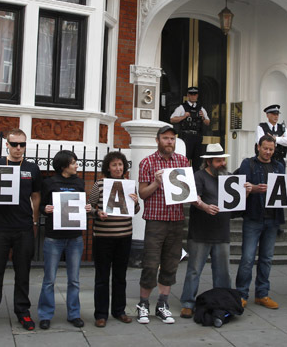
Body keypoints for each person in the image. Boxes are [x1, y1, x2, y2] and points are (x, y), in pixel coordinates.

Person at [0, 129, 42, 333]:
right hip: (0, 227)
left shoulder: (31, 168)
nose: (18, 148)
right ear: (7, 144)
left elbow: (36, 195)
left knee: (23, 272)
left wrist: (35, 221)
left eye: (22, 144)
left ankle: (22, 311)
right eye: (15, 144)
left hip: (23, 227)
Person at [136, 125, 190, 324]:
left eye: (172, 139)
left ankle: (163, 304)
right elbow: (142, 194)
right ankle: (143, 304)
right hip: (156, 220)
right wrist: (157, 183)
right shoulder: (147, 162)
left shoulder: (182, 161)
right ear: (157, 140)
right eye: (166, 138)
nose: (169, 142)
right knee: (150, 264)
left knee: (171, 264)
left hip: (176, 219)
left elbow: (187, 191)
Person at [235, 135, 287, 309]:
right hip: (253, 216)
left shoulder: (279, 166)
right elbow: (240, 186)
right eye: (265, 148)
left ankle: (262, 294)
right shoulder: (248, 163)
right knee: (247, 258)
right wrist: (253, 189)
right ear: (258, 147)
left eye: (271, 149)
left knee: (267, 258)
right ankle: (241, 294)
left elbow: (282, 190)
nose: (268, 152)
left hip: (273, 218)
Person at [38, 150, 91, 330]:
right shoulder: (50, 183)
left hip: (74, 237)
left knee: (74, 279)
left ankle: (74, 314)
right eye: (73, 162)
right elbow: (41, 206)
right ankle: (45, 314)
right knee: (49, 279)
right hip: (54, 237)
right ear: (63, 165)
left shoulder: (78, 182)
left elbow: (79, 205)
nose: (77, 165)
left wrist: (86, 208)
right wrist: (46, 209)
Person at [179, 144, 232, 319]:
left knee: (223, 271)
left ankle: (222, 301)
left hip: (222, 231)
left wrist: (245, 192)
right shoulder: (199, 176)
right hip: (201, 231)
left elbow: (236, 204)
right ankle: (188, 302)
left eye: (223, 159)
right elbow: (193, 197)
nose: (222, 163)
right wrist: (204, 206)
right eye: (218, 160)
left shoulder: (228, 178)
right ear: (208, 162)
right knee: (194, 269)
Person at [88, 151, 139, 327]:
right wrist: (97, 213)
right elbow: (89, 206)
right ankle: (101, 314)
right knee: (102, 276)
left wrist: (136, 201)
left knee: (120, 276)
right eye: (114, 165)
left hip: (124, 236)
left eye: (120, 164)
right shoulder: (100, 184)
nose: (118, 168)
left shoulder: (129, 185)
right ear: (108, 168)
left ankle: (119, 311)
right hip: (103, 236)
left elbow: (135, 210)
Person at [170, 86, 210, 171]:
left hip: (197, 137)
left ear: (197, 95)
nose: (193, 96)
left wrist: (203, 117)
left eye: (195, 94)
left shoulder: (201, 108)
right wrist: (183, 116)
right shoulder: (182, 107)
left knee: (197, 162)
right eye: (191, 94)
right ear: (188, 95)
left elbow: (208, 122)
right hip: (186, 137)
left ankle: (196, 181)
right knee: (184, 159)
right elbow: (172, 119)